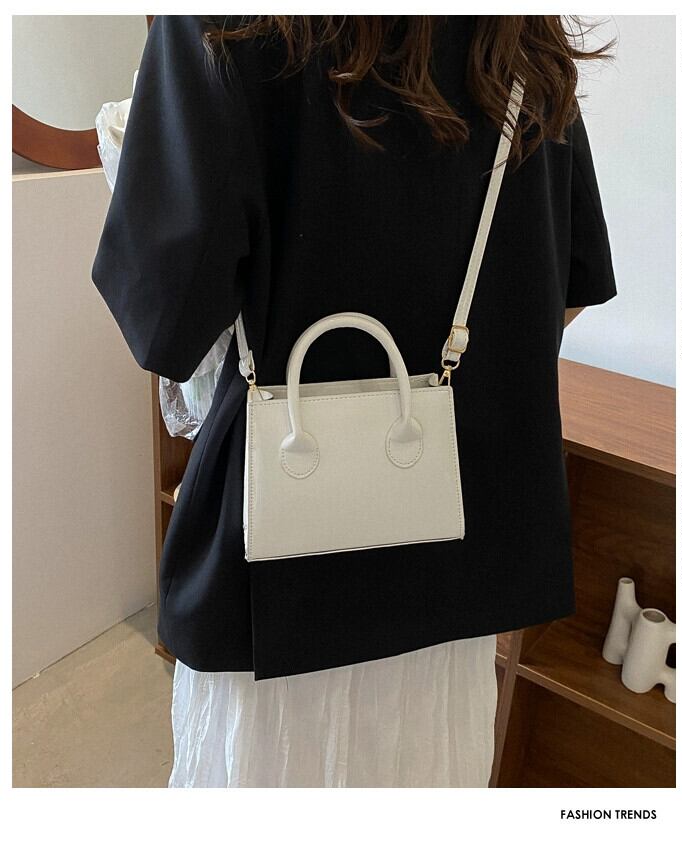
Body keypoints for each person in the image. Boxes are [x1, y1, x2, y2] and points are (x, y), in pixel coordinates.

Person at [91, 15, 617, 787]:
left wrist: (135, 157)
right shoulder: (521, 34)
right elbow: (565, 291)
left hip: (282, 570)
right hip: (454, 578)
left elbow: (164, 323)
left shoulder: (224, 22)